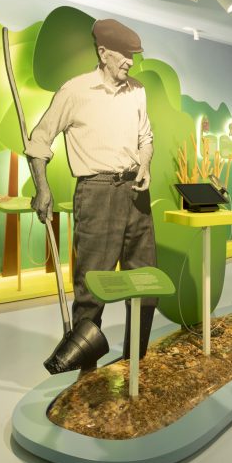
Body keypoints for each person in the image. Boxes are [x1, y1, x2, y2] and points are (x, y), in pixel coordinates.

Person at [25, 19, 156, 374]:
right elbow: (39, 142)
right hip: (96, 192)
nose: (130, 61)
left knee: (146, 283)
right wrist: (42, 188)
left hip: (136, 193)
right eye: (124, 54)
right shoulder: (75, 91)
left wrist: (145, 164)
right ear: (103, 53)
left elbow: (146, 137)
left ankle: (136, 366)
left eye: (133, 55)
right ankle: (87, 377)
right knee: (92, 289)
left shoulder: (137, 91)